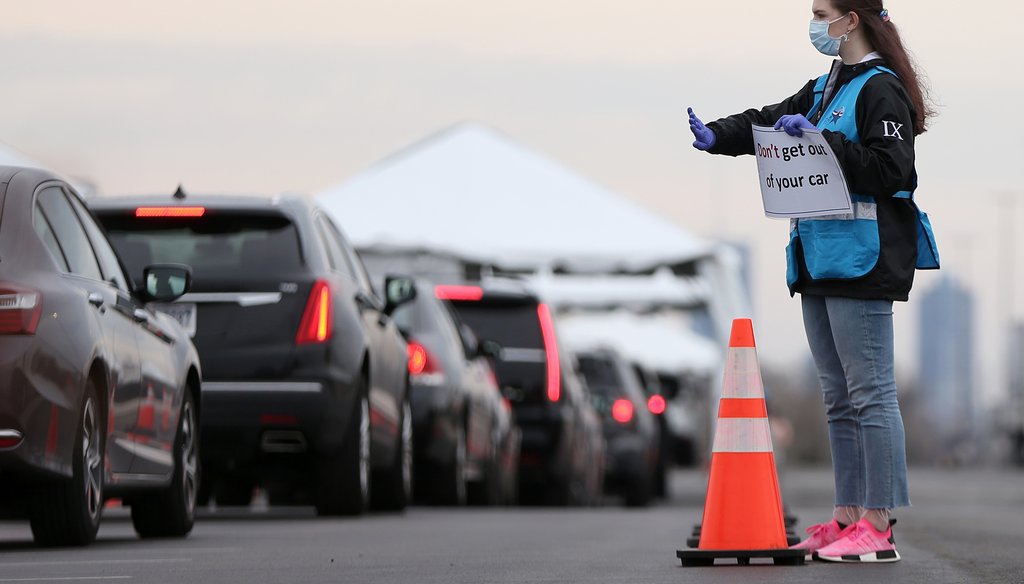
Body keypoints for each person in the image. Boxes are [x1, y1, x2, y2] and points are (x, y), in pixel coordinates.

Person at [687, 0, 939, 564]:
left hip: (863, 260)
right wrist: (720, 135)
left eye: (822, 12)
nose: (814, 22)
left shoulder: (881, 89)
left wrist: (825, 144)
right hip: (820, 258)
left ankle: (879, 523)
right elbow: (771, 119)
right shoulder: (828, 85)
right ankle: (847, 516)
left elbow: (894, 170)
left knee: (871, 393)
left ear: (851, 19)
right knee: (838, 398)